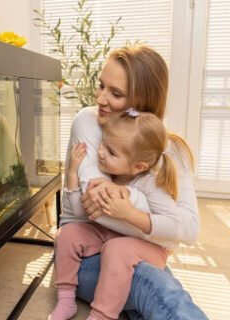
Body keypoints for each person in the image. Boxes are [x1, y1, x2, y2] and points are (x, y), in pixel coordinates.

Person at [58, 45, 208, 320]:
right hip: (84, 254)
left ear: (143, 103)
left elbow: (188, 229)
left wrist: (130, 208)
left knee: (159, 294)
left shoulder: (170, 149)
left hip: (132, 250)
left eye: (115, 93)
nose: (101, 99)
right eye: (101, 86)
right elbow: (97, 205)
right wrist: (158, 223)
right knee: (155, 287)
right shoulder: (89, 123)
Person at [51, 110, 191, 320]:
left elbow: (173, 226)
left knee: (117, 249)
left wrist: (128, 213)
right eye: (103, 144)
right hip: (111, 236)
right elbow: (81, 212)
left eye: (111, 152)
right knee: (67, 234)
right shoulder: (109, 174)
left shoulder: (152, 182)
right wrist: (72, 175)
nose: (100, 152)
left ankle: (101, 315)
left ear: (139, 166)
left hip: (152, 249)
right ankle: (65, 299)